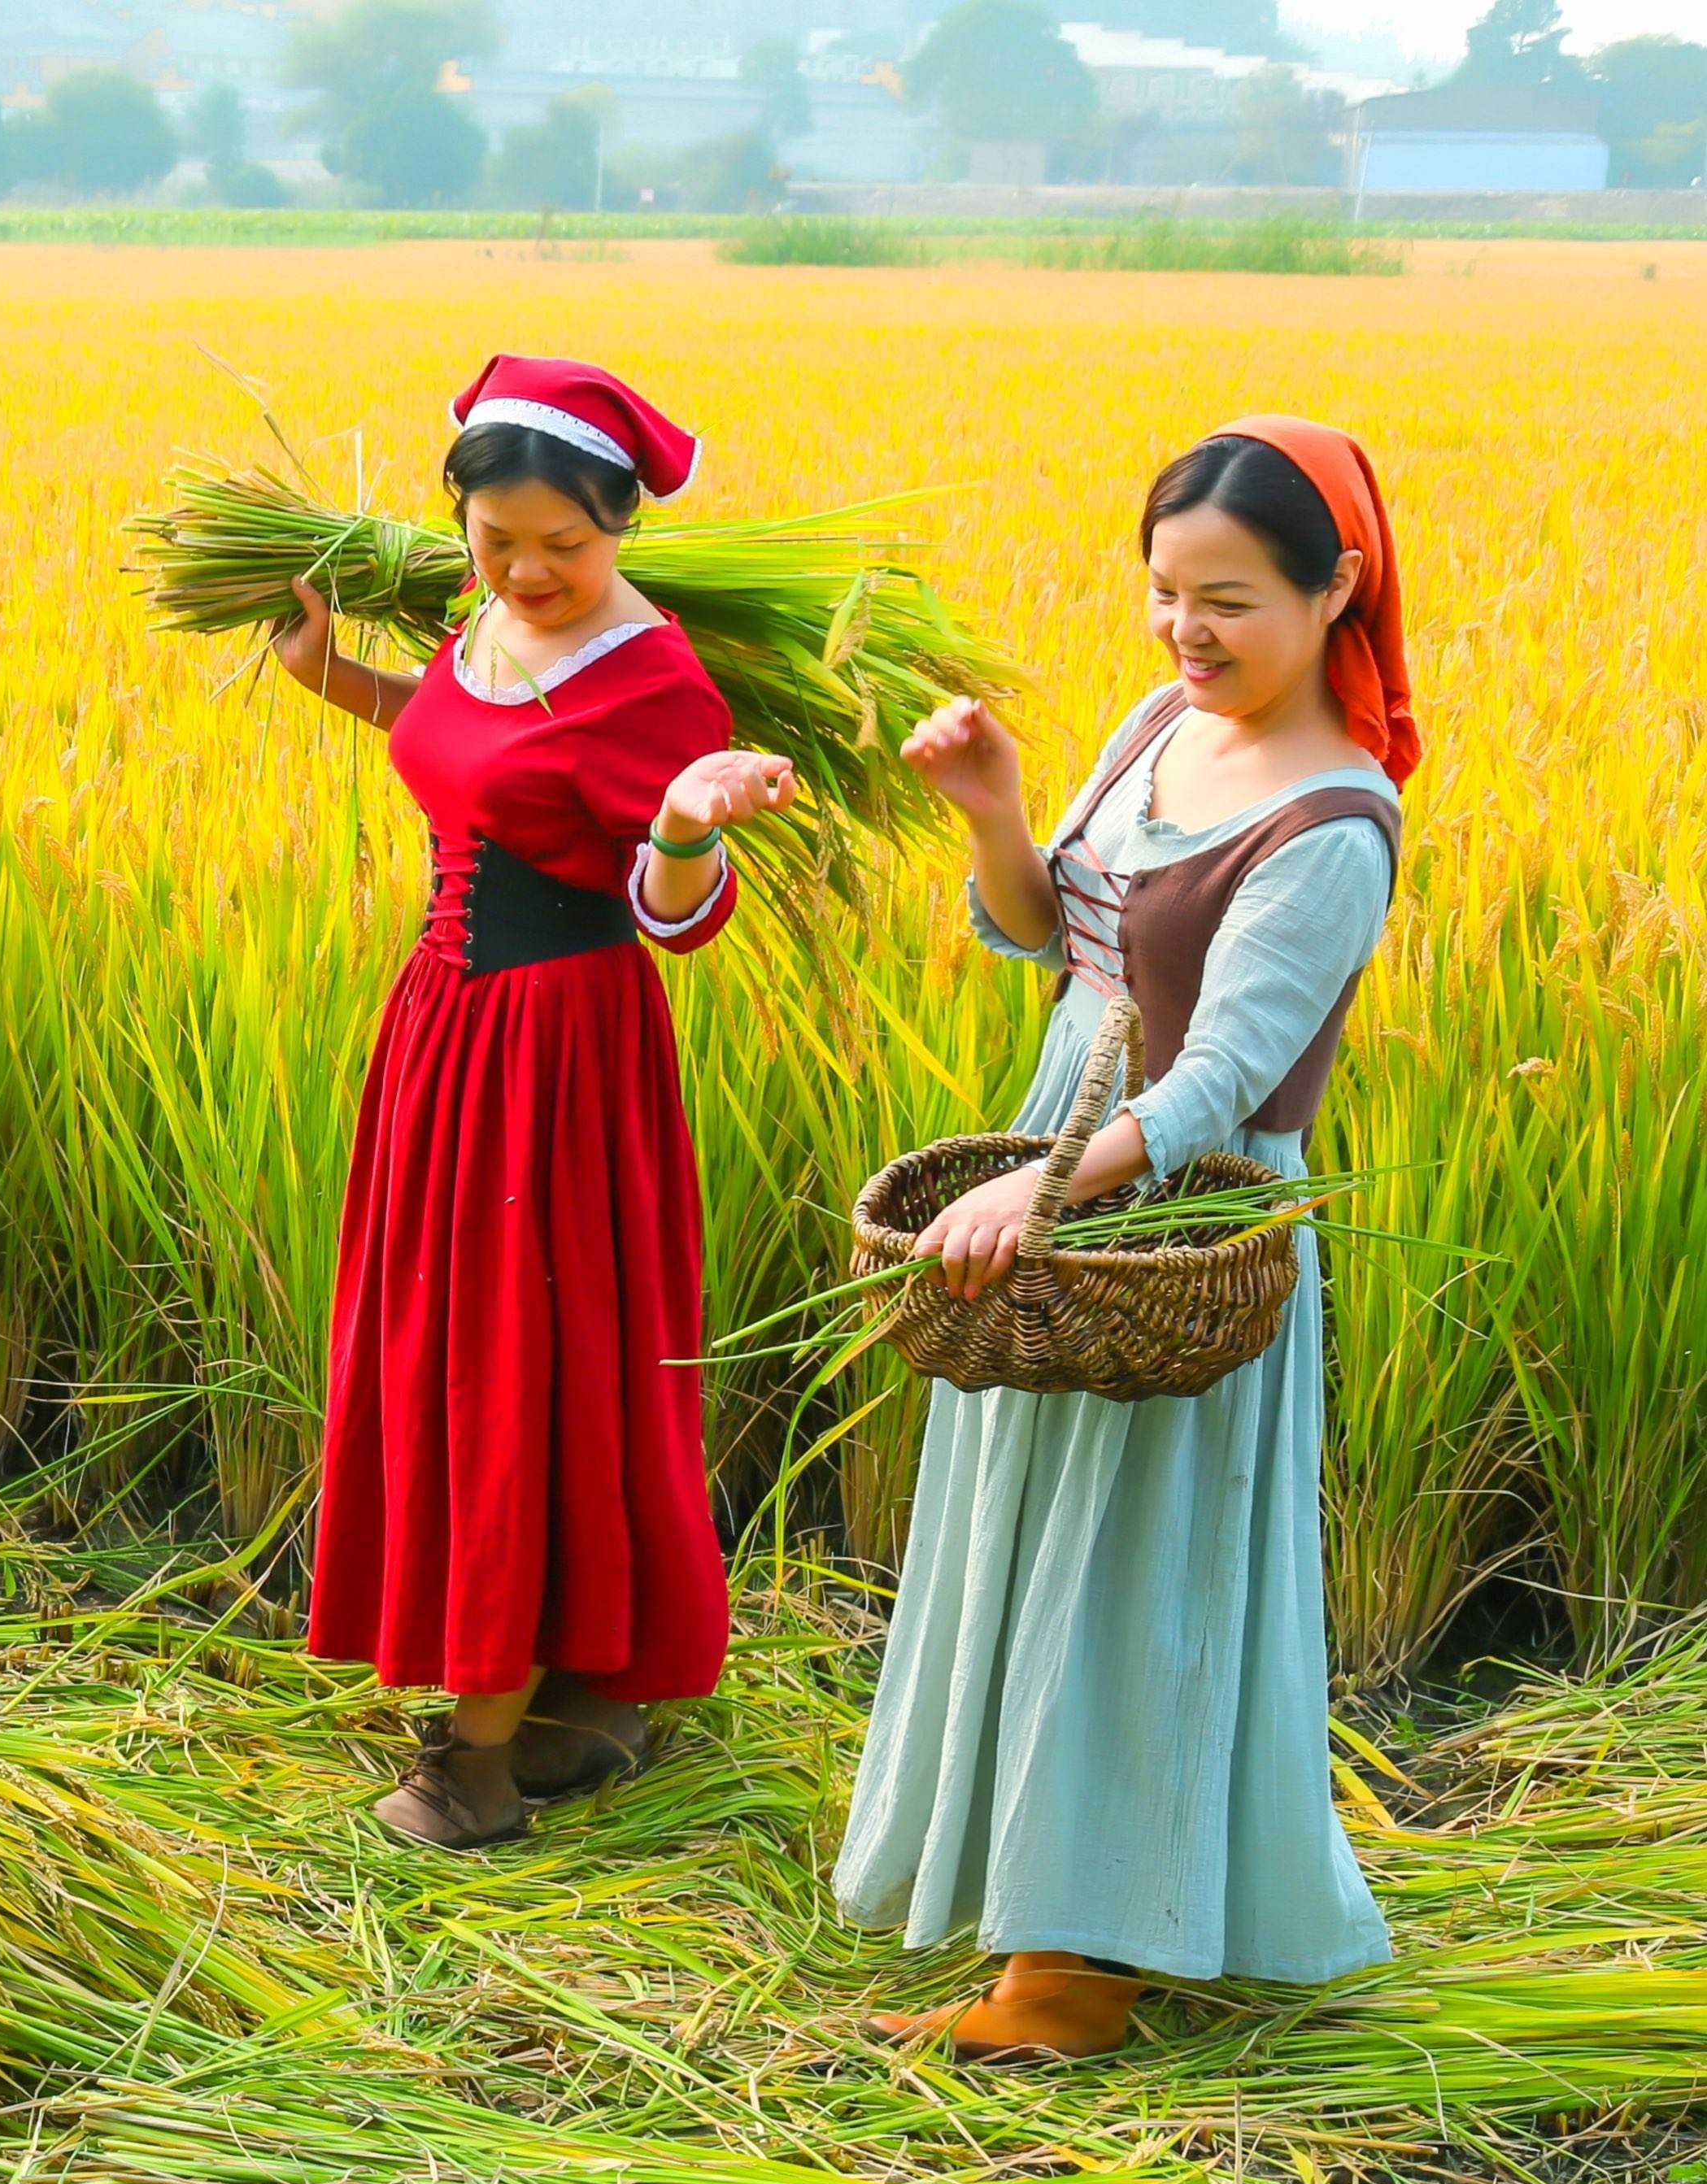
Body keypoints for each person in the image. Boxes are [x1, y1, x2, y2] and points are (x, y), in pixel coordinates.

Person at [843, 423, 1415, 2061]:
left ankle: (1081, 1970)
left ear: (1336, 592)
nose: (1183, 630)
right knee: (1026, 1523)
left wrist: (1045, 1192)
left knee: (1138, 1556)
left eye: (1225, 599)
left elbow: (1219, 1079)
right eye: (1163, 592)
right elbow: (1050, 931)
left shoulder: (1331, 821)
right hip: (1058, 1149)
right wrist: (990, 810)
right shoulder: (1161, 720)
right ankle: (1026, 1893)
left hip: (1176, 1209)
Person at [266, 357, 799, 1848]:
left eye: (562, 543)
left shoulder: (652, 682)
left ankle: (476, 1760)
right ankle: (578, 1686)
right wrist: (332, 677)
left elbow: (677, 917)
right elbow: (457, 750)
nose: (527, 570)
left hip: (557, 1054)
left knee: (512, 1365)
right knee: (473, 1346)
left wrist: (688, 823)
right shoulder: (481, 621)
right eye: (495, 540)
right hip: (444, 1031)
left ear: (619, 521)